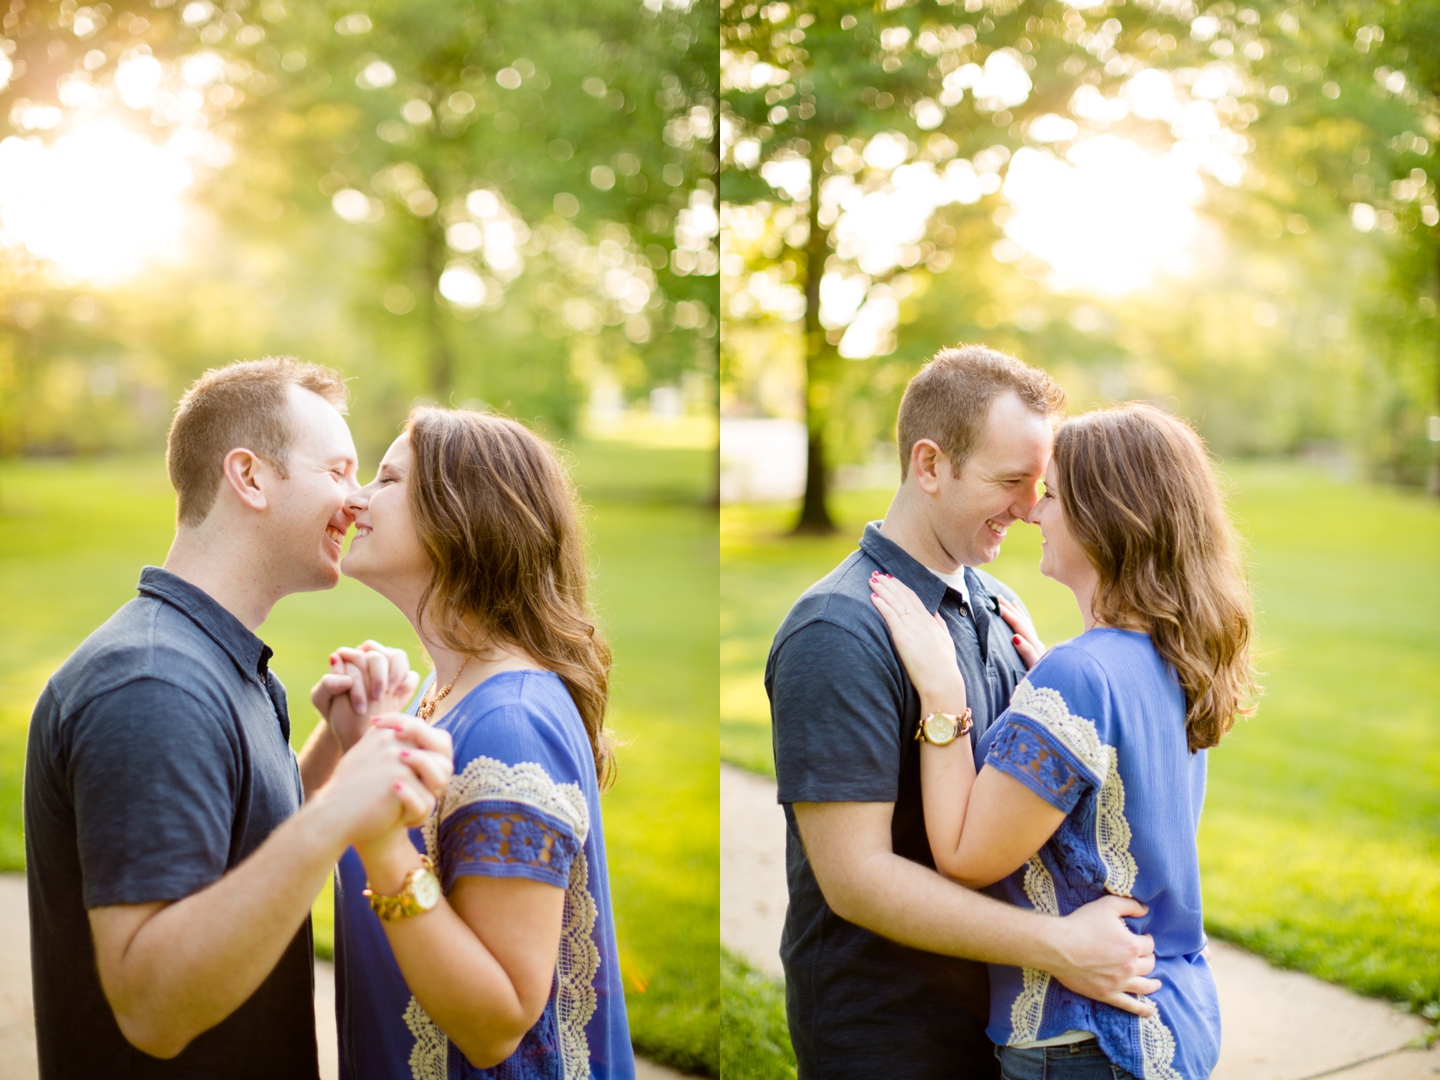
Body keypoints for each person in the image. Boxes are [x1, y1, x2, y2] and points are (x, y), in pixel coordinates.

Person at [23, 358, 453, 1079]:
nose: (356, 502)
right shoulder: (154, 684)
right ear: (249, 477)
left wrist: (332, 753)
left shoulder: (212, 658)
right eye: (339, 471)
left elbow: (236, 859)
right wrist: (341, 808)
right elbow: (153, 1009)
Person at [765, 346, 1163, 1080]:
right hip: (891, 1031)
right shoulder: (838, 631)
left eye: (1038, 486)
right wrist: (1061, 947)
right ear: (929, 465)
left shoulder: (997, 603)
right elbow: (855, 877)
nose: (1030, 507)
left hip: (1000, 1017)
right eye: (1010, 481)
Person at [869, 402, 1255, 1079]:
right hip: (1170, 1015)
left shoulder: (1080, 676)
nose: (1034, 512)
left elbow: (963, 855)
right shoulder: (1175, 654)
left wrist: (942, 698)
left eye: (1052, 494)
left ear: (1110, 517)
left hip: (1087, 1041)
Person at [305, 406, 634, 1079]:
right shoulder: (444, 692)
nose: (356, 499)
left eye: (388, 480)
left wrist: (381, 841)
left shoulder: (508, 724)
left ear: (460, 517)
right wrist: (348, 745)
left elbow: (495, 1024)